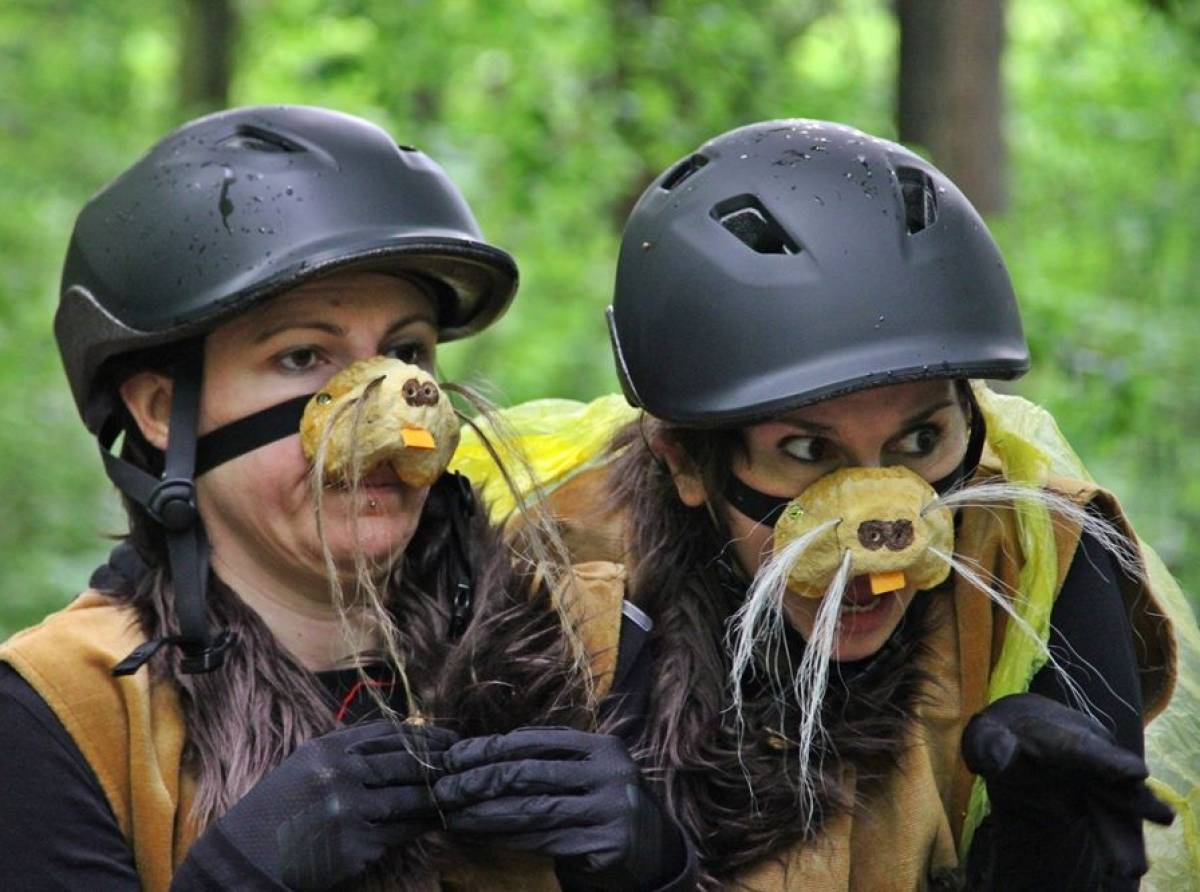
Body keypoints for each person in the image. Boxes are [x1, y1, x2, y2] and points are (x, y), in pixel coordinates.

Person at [0, 106, 694, 891]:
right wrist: (233, 878)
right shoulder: (64, 713)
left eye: (406, 352)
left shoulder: (584, 645)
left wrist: (658, 871)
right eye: (303, 355)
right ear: (162, 412)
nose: (392, 409)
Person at [521, 120, 1183, 890]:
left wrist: (1047, 853)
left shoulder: (1038, 564)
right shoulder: (564, 595)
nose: (882, 531)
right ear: (684, 461)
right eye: (808, 452)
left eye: (918, 439)